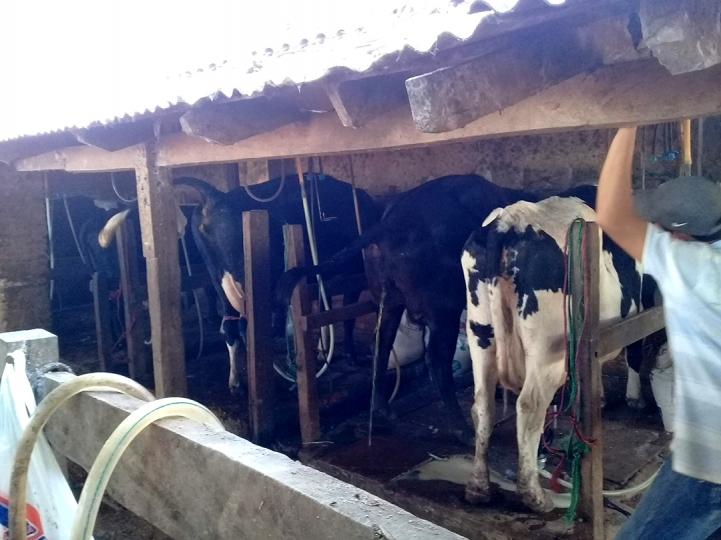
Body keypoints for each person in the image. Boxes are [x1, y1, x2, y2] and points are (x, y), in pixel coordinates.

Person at [596, 126, 721, 539]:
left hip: (712, 464)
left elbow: (611, 216)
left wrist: (628, 121)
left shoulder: (695, 267)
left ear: (679, 236)